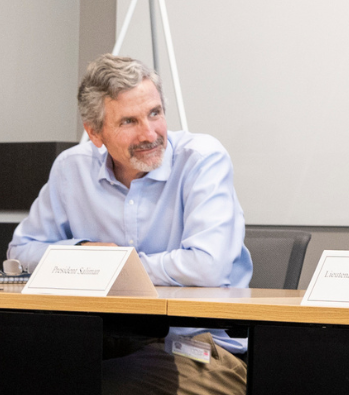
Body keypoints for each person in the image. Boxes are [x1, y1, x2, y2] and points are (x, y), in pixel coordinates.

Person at [8, 54, 252, 394]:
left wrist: (115, 270)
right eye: (129, 122)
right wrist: (83, 253)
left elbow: (206, 267)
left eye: (155, 113)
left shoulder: (201, 159)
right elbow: (20, 251)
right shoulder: (71, 168)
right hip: (100, 343)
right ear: (95, 133)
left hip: (197, 351)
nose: (150, 133)